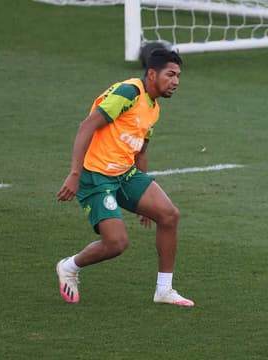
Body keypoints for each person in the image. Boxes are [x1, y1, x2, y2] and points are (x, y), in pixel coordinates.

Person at [56, 48, 194, 307]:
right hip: (95, 175)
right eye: (171, 74)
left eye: (178, 76)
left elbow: (141, 151)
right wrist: (75, 174)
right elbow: (86, 126)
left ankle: (164, 290)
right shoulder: (128, 93)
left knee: (168, 215)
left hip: (124, 173)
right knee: (117, 243)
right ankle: (69, 266)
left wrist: (144, 200)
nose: (176, 81)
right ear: (152, 74)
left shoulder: (154, 108)